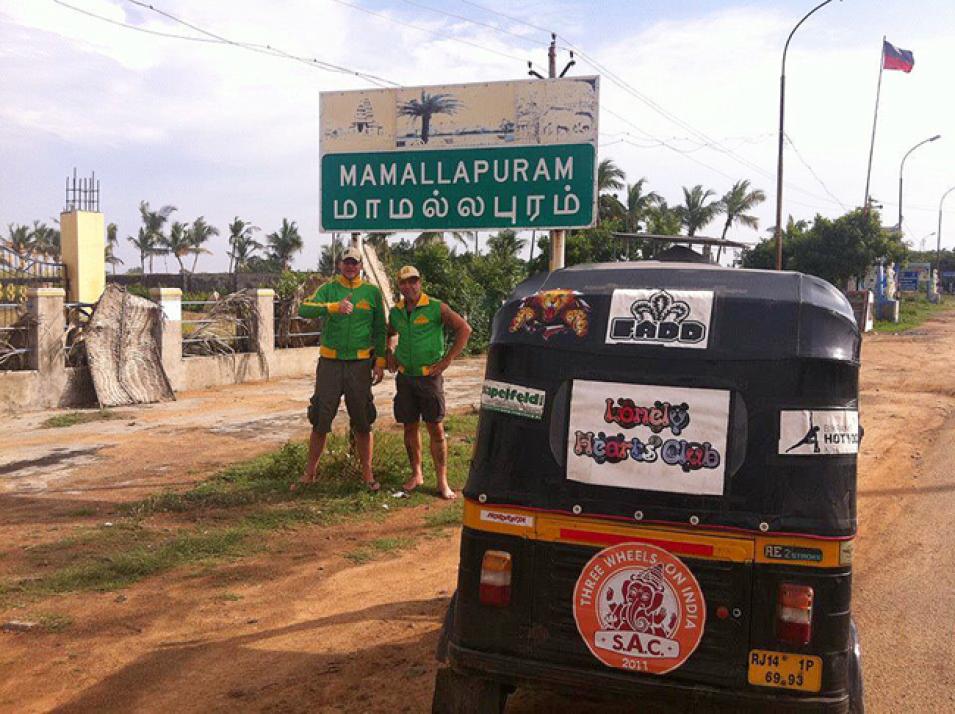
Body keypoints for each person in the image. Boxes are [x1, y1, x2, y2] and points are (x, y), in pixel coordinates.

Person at [295, 247, 386, 491]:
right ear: (339, 265)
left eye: (355, 263)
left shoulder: (371, 293)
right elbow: (304, 309)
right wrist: (331, 307)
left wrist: (379, 361)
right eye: (347, 262)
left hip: (359, 365)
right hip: (330, 364)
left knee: (363, 420)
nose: (351, 267)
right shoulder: (328, 289)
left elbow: (379, 330)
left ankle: (367, 475)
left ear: (360, 266)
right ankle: (310, 473)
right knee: (320, 419)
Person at [387, 265, 472, 500]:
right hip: (405, 377)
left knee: (435, 427)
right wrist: (391, 352)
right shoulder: (396, 312)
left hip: (429, 378)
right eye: (404, 282)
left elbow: (464, 329)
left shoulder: (436, 307)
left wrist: (447, 361)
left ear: (420, 282)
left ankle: (442, 481)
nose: (409, 286)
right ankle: (417, 474)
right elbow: (389, 333)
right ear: (400, 286)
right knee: (409, 426)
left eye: (413, 281)